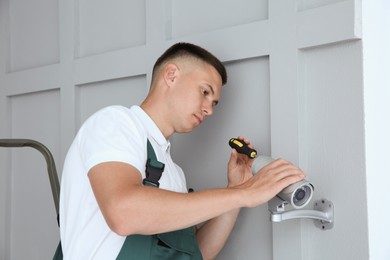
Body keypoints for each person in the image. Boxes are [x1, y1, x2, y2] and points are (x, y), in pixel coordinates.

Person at [59, 42, 305, 259]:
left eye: (214, 103)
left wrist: (235, 189)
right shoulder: (115, 123)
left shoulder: (174, 173)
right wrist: (246, 193)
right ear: (172, 75)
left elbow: (197, 252)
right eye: (205, 92)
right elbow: (123, 212)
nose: (210, 110)